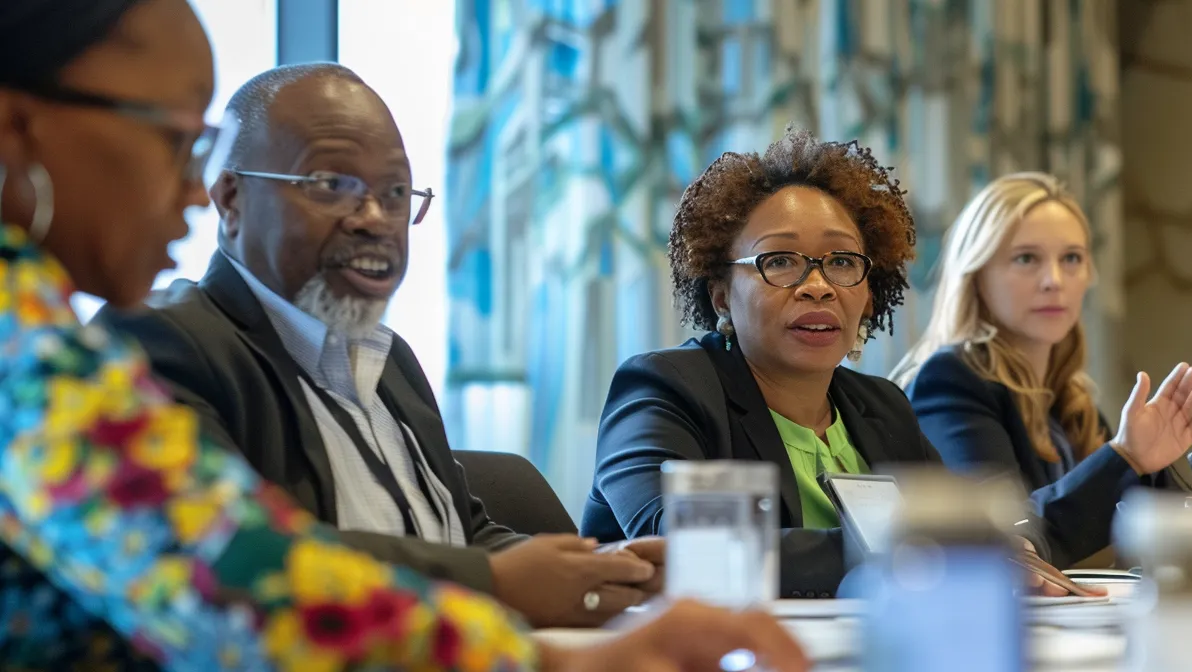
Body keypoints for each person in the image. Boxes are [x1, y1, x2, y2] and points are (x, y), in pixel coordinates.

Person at [0, 1, 807, 669]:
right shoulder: (42, 350)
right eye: (174, 136)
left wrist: (593, 574)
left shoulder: (35, 320)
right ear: (17, 125)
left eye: (396, 193)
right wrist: (549, 647)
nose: (188, 182)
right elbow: (244, 584)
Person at [95, 62, 660, 628]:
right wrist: (495, 585)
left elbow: (461, 532)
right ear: (231, 199)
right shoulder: (161, 344)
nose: (375, 220)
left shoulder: (390, 359)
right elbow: (243, 558)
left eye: (395, 193)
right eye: (333, 185)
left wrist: (604, 567)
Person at [582, 130, 1164, 595]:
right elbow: (680, 548)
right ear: (719, 294)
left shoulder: (880, 406)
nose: (818, 287)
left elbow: (971, 533)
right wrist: (917, 550)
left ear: (869, 288)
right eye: (780, 261)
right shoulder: (664, 389)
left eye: (841, 262)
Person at [891, 172, 1192, 566]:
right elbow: (999, 534)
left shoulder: (1072, 401)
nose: (1054, 281)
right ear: (976, 276)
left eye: (1071, 258)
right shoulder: (949, 381)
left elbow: (1149, 533)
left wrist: (1159, 470)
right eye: (1027, 258)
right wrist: (1125, 457)